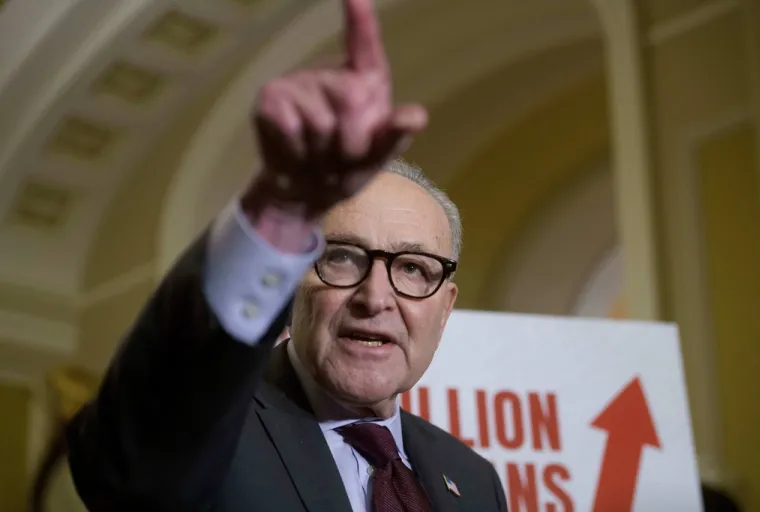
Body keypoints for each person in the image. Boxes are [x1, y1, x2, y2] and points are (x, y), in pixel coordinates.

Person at [65, 0, 508, 510]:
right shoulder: (208, 430)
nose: (375, 297)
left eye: (412, 268)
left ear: (445, 307)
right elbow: (133, 466)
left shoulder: (474, 480)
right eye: (343, 257)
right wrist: (280, 209)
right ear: (293, 281)